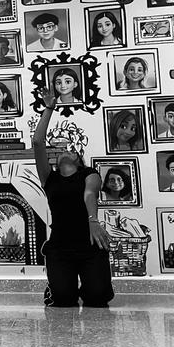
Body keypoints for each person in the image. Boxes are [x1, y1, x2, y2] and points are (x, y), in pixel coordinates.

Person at [33, 89, 113, 307]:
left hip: (90, 245)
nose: (65, 151)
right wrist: (49, 108)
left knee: (97, 298)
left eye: (71, 150)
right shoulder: (49, 178)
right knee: (63, 299)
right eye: (61, 151)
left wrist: (93, 220)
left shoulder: (89, 174)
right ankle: (58, 285)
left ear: (79, 159)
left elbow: (90, 193)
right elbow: (38, 143)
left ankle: (93, 284)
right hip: (60, 248)